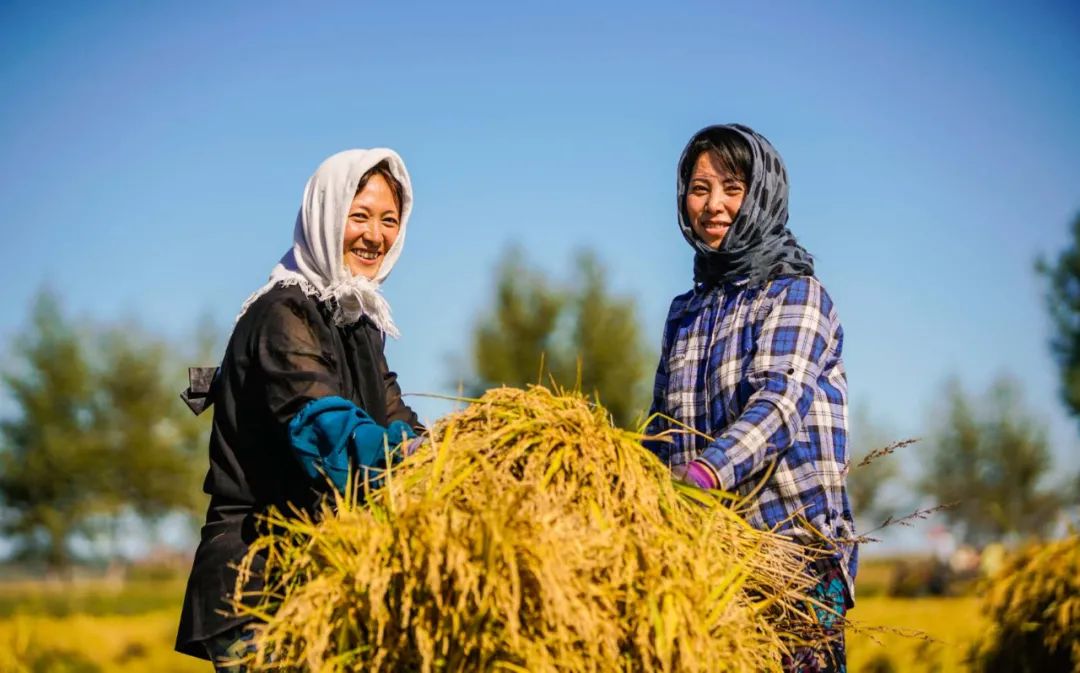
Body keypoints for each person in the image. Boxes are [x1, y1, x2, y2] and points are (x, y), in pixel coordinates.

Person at [175, 148, 424, 670]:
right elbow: (327, 432)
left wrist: (462, 453)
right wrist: (414, 457)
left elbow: (397, 418)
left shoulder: (357, 325)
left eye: (388, 221)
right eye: (359, 216)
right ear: (325, 214)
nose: (374, 236)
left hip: (314, 577)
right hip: (256, 585)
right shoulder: (282, 315)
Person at [644, 124, 856, 671]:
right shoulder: (685, 313)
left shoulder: (798, 295)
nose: (714, 205)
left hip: (790, 554)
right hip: (703, 557)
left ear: (761, 195)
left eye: (732, 188)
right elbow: (661, 427)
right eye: (699, 188)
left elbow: (779, 403)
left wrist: (704, 475)